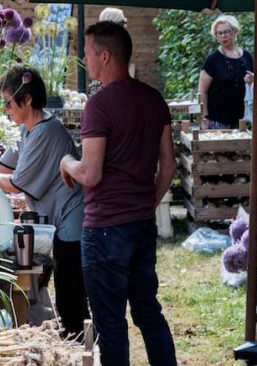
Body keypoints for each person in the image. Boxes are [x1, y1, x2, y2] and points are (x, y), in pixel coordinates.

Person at [59, 22, 177, 366]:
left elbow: (90, 174)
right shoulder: (154, 99)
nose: (82, 58)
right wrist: (149, 201)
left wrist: (67, 162)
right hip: (141, 225)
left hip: (105, 229)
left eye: (87, 51)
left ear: (105, 56)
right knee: (148, 312)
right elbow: (168, 165)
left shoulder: (99, 105)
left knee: (110, 324)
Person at [0, 65, 87, 337]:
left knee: (70, 288)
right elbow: (4, 165)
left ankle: (79, 341)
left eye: (8, 102)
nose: (5, 109)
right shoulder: (26, 129)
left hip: (71, 220)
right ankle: (76, 335)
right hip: (55, 219)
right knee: (65, 285)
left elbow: (14, 182)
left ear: (27, 99)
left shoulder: (46, 131)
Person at [198, 15, 253, 129]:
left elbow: (256, 85)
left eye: (226, 32)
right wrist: (205, 118)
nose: (223, 36)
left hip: (243, 119)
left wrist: (252, 81)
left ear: (234, 32)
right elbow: (202, 91)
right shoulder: (212, 59)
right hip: (218, 121)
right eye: (219, 33)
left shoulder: (247, 56)